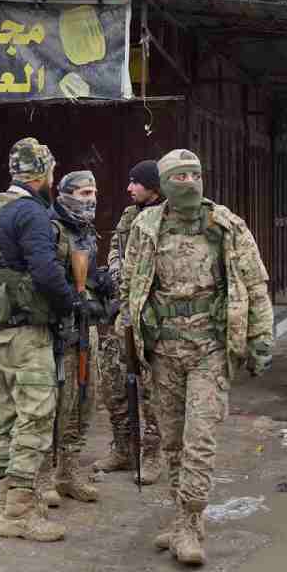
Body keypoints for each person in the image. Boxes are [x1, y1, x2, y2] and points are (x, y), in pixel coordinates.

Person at [121, 149, 273, 565]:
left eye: (194, 174)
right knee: (172, 442)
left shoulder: (225, 224)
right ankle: (180, 519)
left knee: (199, 439)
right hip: (163, 352)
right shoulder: (146, 226)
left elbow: (255, 285)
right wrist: (127, 339)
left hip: (210, 349)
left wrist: (261, 339)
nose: (188, 182)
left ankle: (190, 523)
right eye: (179, 176)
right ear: (164, 184)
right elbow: (131, 285)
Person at [0, 137, 78, 542]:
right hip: (28, 335)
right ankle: (20, 513)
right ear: (43, 174)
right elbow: (46, 272)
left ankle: (2, 503)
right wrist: (68, 304)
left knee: (5, 418)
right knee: (36, 418)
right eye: (52, 172)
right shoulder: (32, 213)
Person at [37, 170, 110, 508]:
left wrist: (100, 286)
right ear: (65, 195)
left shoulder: (86, 230)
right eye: (84, 193)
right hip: (59, 330)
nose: (91, 199)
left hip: (85, 327)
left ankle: (69, 472)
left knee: (85, 399)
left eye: (93, 192)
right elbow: (44, 276)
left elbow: (88, 274)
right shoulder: (51, 228)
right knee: (55, 405)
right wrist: (71, 298)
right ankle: (43, 476)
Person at [94, 160, 165, 485]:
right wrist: (115, 272)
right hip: (120, 311)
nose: (129, 188)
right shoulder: (128, 215)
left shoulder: (167, 217)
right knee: (112, 382)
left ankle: (152, 454)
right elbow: (115, 248)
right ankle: (123, 448)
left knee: (150, 389)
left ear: (153, 186)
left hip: (150, 314)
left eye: (136, 182)